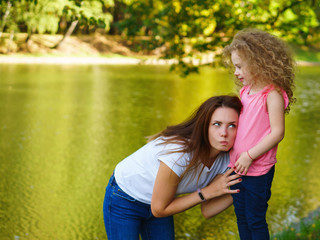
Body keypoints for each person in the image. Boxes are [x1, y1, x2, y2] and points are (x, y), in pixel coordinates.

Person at [103, 95, 243, 240]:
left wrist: (243, 187)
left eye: (232, 125)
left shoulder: (228, 159)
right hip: (125, 197)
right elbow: (159, 209)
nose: (224, 133)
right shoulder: (180, 152)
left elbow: (207, 210)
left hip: (164, 202)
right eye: (217, 124)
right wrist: (206, 192)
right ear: (204, 125)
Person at [222, 28, 296, 240]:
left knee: (255, 218)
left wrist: (249, 155)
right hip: (237, 167)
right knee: (241, 217)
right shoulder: (246, 91)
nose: (235, 72)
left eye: (239, 66)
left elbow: (277, 133)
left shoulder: (272, 95)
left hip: (257, 170)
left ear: (257, 62)